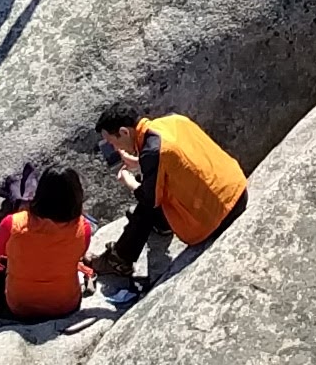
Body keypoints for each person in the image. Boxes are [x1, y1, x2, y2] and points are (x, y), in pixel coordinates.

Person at [95, 100, 248, 292]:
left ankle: (120, 258)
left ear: (125, 132)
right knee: (155, 183)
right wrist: (139, 163)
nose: (114, 147)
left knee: (145, 203)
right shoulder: (173, 121)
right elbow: (175, 163)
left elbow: (149, 199)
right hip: (237, 190)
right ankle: (160, 227)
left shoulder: (152, 152)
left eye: (112, 141)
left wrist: (129, 181)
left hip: (216, 217)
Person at [0, 165, 97, 320]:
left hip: (20, 305)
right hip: (65, 304)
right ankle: (22, 186)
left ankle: (21, 190)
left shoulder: (12, 224)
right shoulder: (84, 228)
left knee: (20, 204)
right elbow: (79, 254)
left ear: (40, 194)